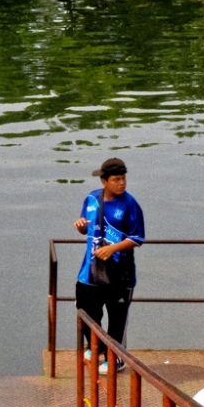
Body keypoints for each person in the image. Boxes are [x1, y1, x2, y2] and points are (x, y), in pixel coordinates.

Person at [74, 157, 145, 375]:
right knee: (85, 311)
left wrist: (112, 249)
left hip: (119, 274)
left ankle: (117, 358)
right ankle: (99, 347)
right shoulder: (92, 199)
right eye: (116, 179)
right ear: (104, 181)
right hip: (90, 271)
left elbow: (137, 237)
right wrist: (80, 226)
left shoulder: (130, 204)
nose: (122, 183)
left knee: (117, 319)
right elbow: (86, 228)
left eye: (123, 178)